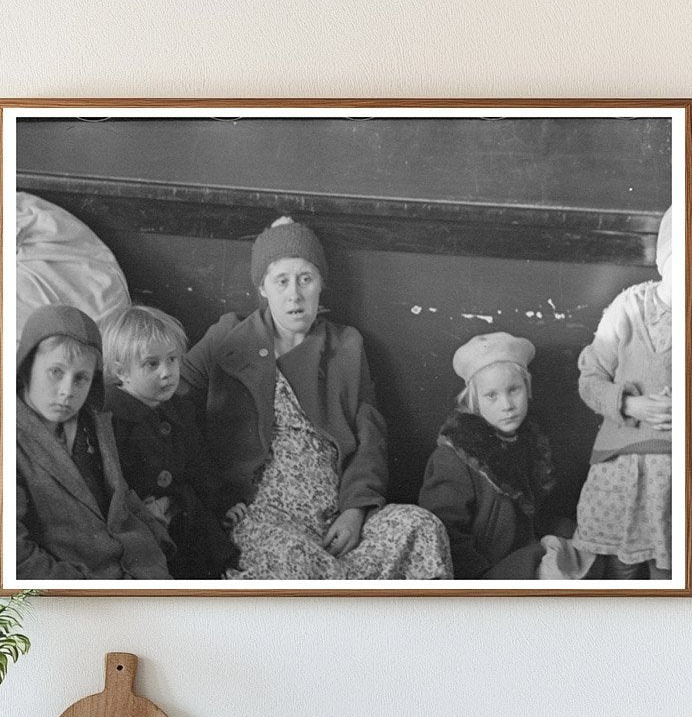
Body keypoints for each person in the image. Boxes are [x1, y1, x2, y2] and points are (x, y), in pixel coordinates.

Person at [180, 216, 451, 580]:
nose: (295, 294)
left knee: (421, 528)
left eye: (306, 279)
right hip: (261, 517)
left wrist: (355, 509)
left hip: (334, 517)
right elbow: (170, 401)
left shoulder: (346, 345)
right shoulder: (229, 338)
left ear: (321, 284)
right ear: (263, 287)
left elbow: (370, 435)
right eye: (282, 281)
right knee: (294, 559)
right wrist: (212, 496)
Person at [16, 304, 172, 579]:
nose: (67, 392)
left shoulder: (94, 422)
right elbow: (18, 558)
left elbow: (120, 495)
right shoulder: (6, 443)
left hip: (143, 568)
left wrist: (156, 540)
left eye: (81, 378)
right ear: (27, 366)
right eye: (55, 372)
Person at [418, 332, 588, 579]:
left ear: (526, 389)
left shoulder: (528, 442)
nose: (507, 405)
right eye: (492, 396)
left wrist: (573, 532)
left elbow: (537, 515)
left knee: (593, 550)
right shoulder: (454, 456)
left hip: (527, 553)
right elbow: (444, 534)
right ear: (474, 401)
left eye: (514, 390)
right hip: (486, 570)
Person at [571, 206, 674, 579]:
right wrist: (632, 404)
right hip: (621, 469)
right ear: (664, 259)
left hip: (679, 476)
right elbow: (590, 381)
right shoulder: (629, 307)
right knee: (621, 574)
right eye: (680, 256)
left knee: (674, 581)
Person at [103, 305, 238, 579]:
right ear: (122, 371)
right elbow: (110, 480)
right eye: (151, 364)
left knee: (214, 555)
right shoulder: (111, 417)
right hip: (140, 518)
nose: (167, 372)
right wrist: (139, 509)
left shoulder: (180, 409)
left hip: (182, 510)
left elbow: (199, 463)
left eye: (173, 359)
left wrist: (224, 501)